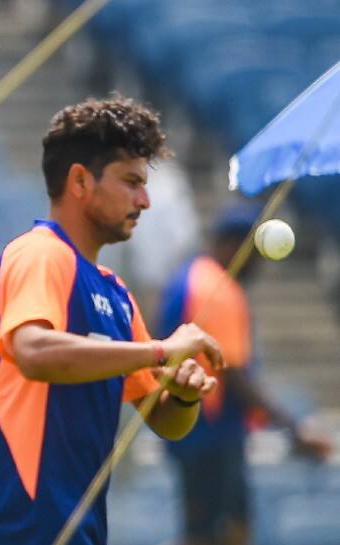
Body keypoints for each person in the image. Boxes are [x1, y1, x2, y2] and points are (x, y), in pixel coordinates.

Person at [0, 95, 224, 545]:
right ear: (80, 181)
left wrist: (180, 395)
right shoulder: (40, 254)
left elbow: (166, 422)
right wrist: (160, 350)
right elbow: (35, 352)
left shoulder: (116, 294)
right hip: (18, 531)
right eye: (131, 182)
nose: (144, 200)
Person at [158, 204, 333, 545]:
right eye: (253, 251)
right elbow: (233, 376)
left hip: (197, 431)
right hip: (208, 435)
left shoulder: (192, 276)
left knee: (223, 527)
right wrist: (293, 430)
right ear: (231, 244)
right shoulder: (216, 288)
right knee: (212, 533)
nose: (258, 263)